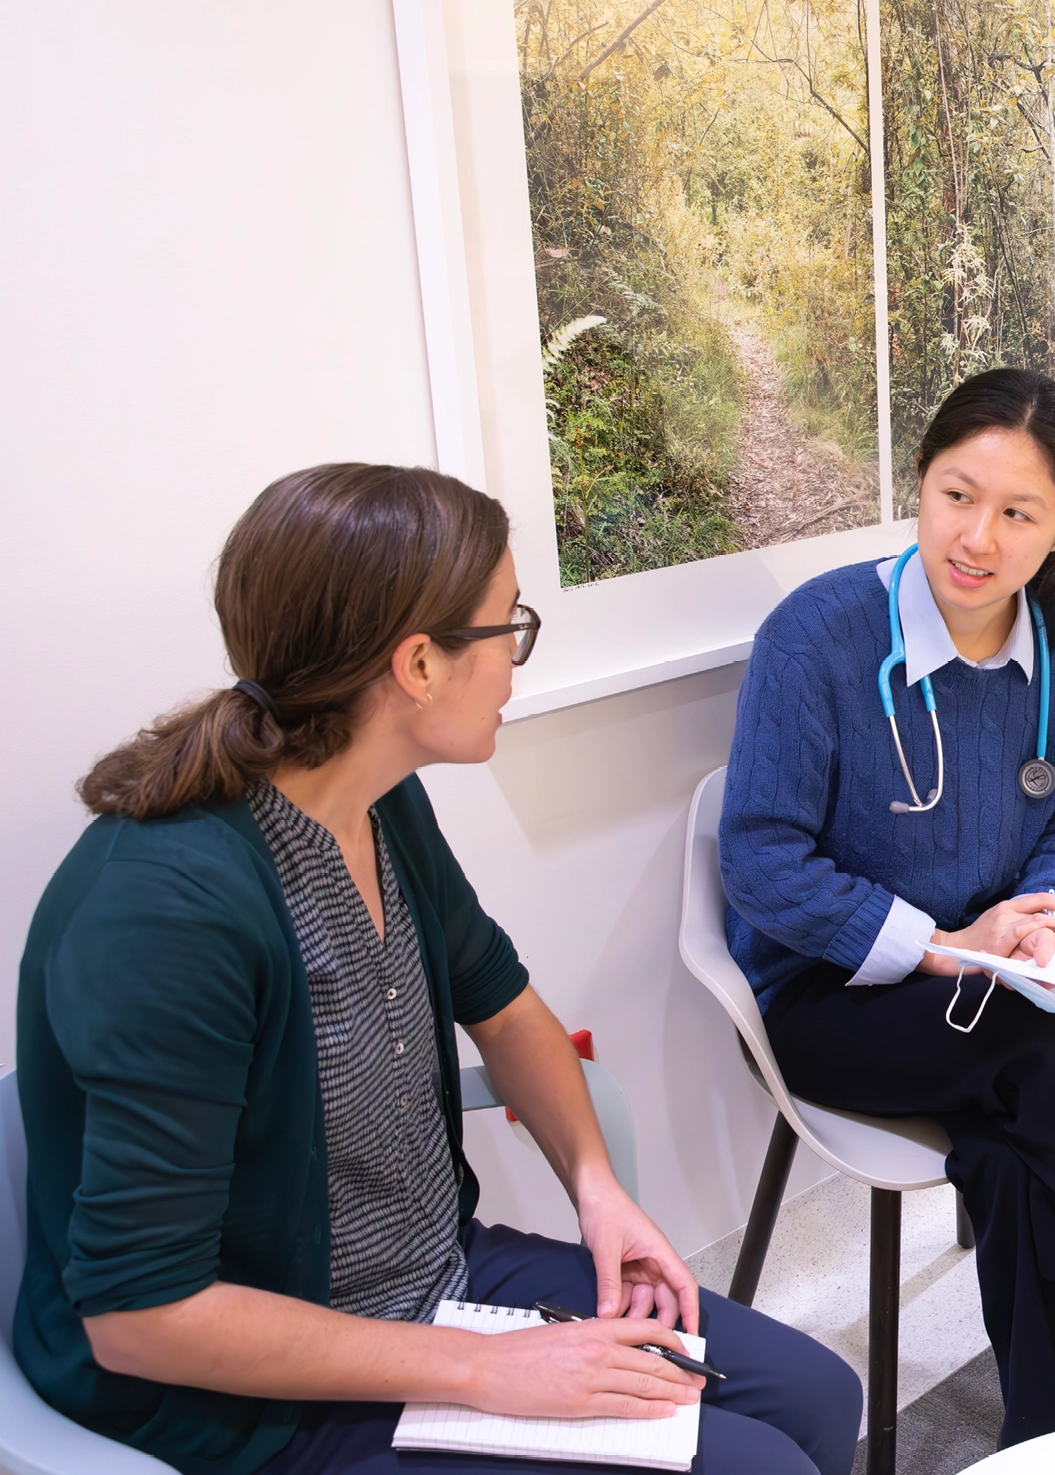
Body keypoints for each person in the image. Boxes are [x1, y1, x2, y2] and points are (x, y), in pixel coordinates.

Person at [15, 465, 862, 1475]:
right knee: (755, 1465)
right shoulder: (168, 911)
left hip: (432, 1273)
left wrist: (598, 1188)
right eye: (508, 626)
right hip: (255, 1395)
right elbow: (142, 1317)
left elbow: (504, 1012)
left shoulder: (380, 806)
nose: (515, 662)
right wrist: (484, 1367)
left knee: (819, 1396)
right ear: (417, 664)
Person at [719, 368, 1055, 1445]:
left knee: (1012, 1145)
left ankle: (1041, 1434)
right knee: (1033, 1043)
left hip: (995, 987)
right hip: (828, 996)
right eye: (955, 495)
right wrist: (940, 947)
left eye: (1017, 512)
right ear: (918, 483)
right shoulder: (817, 638)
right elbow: (759, 862)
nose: (976, 536)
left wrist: (1050, 912)